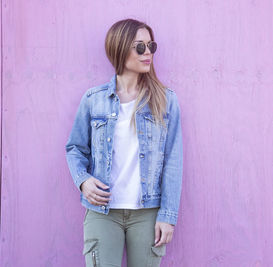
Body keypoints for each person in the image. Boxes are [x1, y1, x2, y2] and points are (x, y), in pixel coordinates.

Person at [65, 18, 183, 267]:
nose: (147, 53)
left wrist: (168, 216)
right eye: (140, 47)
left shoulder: (165, 100)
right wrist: (83, 181)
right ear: (119, 49)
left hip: (148, 213)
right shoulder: (93, 99)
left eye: (151, 46)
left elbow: (174, 160)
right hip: (103, 213)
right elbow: (75, 148)